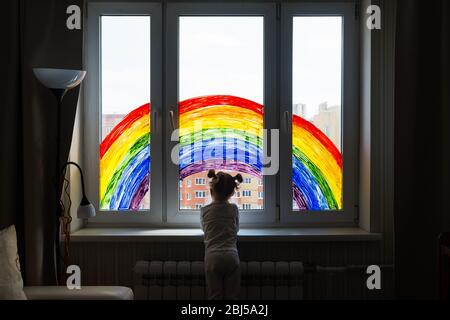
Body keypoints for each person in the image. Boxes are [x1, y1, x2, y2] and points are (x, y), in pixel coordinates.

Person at [200, 169, 243, 300]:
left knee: (215, 296)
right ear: (231, 192)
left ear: (211, 191)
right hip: (232, 257)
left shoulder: (204, 210)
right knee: (232, 297)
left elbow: (204, 228)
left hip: (212, 258)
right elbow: (236, 229)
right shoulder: (233, 209)